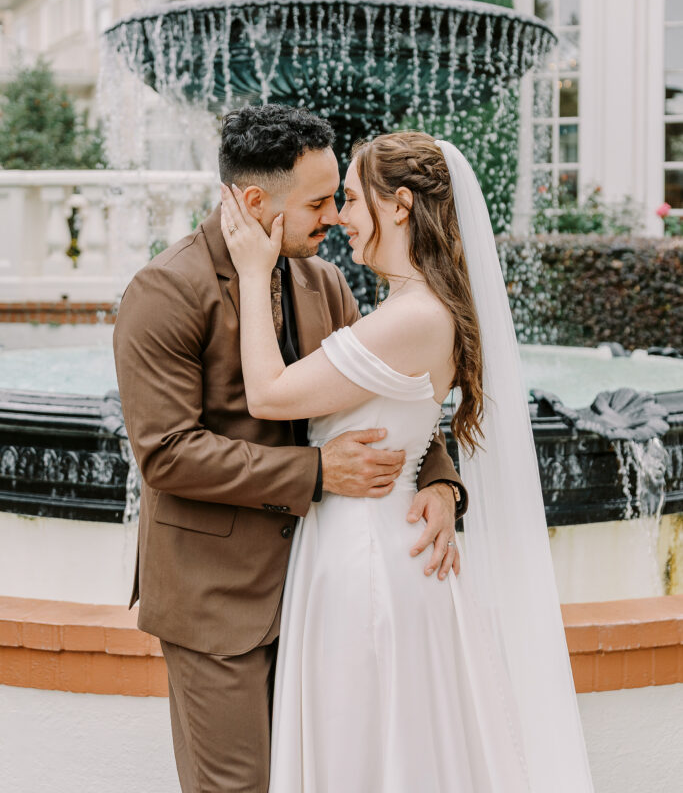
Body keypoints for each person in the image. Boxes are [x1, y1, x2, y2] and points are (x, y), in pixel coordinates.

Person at [220, 129, 595, 793]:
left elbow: (270, 394)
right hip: (377, 551)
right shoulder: (413, 307)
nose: (338, 216)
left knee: (373, 751)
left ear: (397, 205)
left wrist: (252, 274)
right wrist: (443, 487)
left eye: (351, 199)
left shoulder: (412, 317)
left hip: (367, 566)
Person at [113, 105, 467, 793]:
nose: (335, 215)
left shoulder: (324, 282)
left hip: (317, 589)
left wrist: (439, 479)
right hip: (216, 598)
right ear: (253, 201)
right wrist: (314, 472)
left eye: (340, 197)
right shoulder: (163, 292)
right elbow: (167, 454)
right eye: (319, 201)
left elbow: (387, 387)